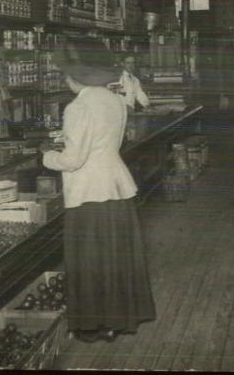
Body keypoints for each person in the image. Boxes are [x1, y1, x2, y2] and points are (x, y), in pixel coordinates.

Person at [42, 38, 156, 343]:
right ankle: (117, 321)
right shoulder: (115, 99)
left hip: (89, 191)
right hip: (116, 185)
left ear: (73, 77)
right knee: (115, 257)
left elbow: (73, 159)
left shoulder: (78, 107)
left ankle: (93, 324)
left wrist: (46, 156)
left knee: (91, 259)